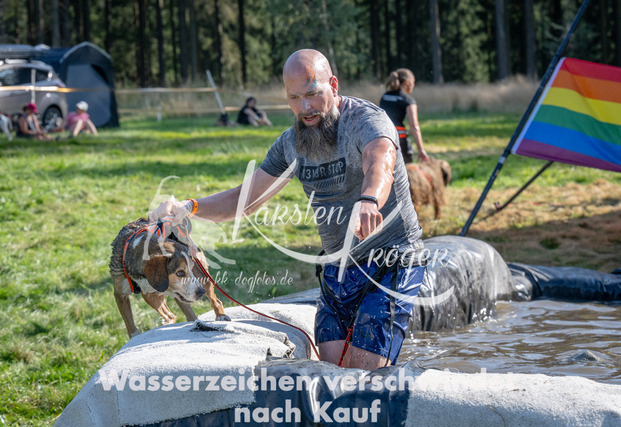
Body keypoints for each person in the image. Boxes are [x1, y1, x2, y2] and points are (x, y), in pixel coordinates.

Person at [149, 49, 424, 370]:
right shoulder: (290, 144)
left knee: (365, 374)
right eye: (294, 98)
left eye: (312, 94)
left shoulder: (366, 121)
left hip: (391, 261)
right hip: (338, 267)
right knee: (331, 372)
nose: (305, 108)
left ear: (333, 85)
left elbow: (380, 163)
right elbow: (243, 200)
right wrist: (187, 207)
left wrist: (369, 200)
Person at [379, 69, 429, 164]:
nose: (413, 85)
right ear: (407, 83)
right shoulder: (408, 100)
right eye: (413, 82)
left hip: (383, 138)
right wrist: (421, 149)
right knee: (406, 171)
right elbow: (414, 126)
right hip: (400, 141)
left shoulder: (384, 97)